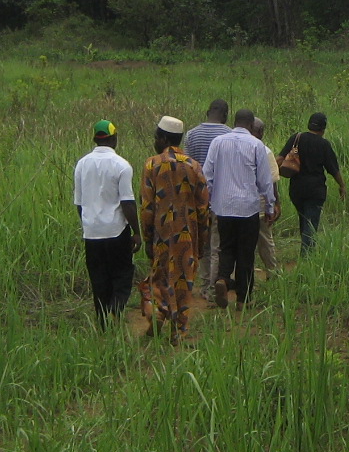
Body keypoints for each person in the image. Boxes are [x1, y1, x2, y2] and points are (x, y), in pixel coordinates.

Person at [137, 116, 210, 342]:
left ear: (164, 138)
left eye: (156, 137)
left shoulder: (152, 165)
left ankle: (160, 313)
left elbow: (147, 206)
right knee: (183, 280)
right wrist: (202, 240)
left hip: (162, 233)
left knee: (159, 276)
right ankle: (180, 329)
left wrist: (147, 237)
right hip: (187, 234)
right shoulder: (194, 166)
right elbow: (203, 207)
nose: (155, 142)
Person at [202, 109, 279, 307]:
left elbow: (207, 175)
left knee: (226, 248)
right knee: (246, 254)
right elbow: (264, 181)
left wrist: (208, 202)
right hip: (248, 209)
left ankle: (222, 279)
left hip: (223, 207)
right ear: (252, 125)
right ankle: (243, 299)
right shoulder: (256, 145)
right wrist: (270, 206)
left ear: (234, 122)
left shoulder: (218, 142)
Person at [74, 119, 141, 327]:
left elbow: (79, 203)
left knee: (99, 278)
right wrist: (137, 232)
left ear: (95, 139)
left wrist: (89, 223)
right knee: (122, 273)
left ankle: (103, 323)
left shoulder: (82, 164)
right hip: (116, 230)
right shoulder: (122, 165)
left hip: (92, 233)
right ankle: (116, 307)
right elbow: (127, 202)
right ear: (114, 139)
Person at [278, 112, 346, 251]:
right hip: (315, 190)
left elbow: (279, 159)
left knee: (304, 219)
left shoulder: (296, 138)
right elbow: (333, 169)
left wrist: (268, 174)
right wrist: (342, 185)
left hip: (296, 189)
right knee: (311, 223)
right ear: (323, 128)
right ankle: (307, 257)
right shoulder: (324, 144)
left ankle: (306, 249)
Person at [185, 100, 232, 288]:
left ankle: (204, 284)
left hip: (197, 198)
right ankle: (214, 286)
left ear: (207, 112)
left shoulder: (191, 134)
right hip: (221, 198)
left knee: (202, 244)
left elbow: (188, 167)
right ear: (226, 115)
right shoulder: (229, 135)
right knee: (217, 245)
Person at [250, 117, 279, 274]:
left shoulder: (236, 147)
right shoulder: (265, 151)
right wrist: (274, 204)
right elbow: (271, 182)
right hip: (260, 204)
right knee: (265, 239)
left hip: (239, 205)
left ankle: (244, 272)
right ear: (260, 132)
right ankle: (272, 271)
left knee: (244, 241)